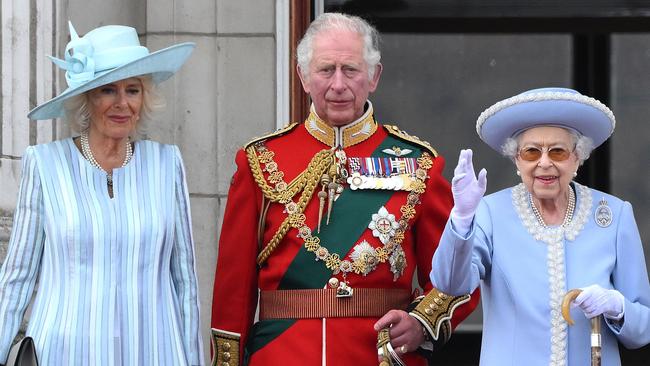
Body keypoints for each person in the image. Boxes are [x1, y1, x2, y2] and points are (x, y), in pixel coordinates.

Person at [210, 12, 478, 366]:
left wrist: (421, 323)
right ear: (303, 77)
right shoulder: (260, 160)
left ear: (374, 77)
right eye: (325, 70)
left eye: (350, 70)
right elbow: (233, 291)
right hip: (282, 354)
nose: (338, 84)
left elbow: (456, 273)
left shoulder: (419, 164)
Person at [0, 23, 204, 365]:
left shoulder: (166, 165)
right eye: (108, 90)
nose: (122, 103)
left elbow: (185, 283)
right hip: (64, 352)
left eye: (133, 90)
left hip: (154, 350)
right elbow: (17, 280)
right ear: (86, 98)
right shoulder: (45, 165)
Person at [430, 87, 650, 365]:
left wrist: (618, 308)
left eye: (557, 152)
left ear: (577, 158)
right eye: (531, 152)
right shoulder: (490, 213)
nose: (544, 163)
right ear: (517, 160)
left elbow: (643, 329)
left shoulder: (614, 215)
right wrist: (461, 217)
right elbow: (450, 284)